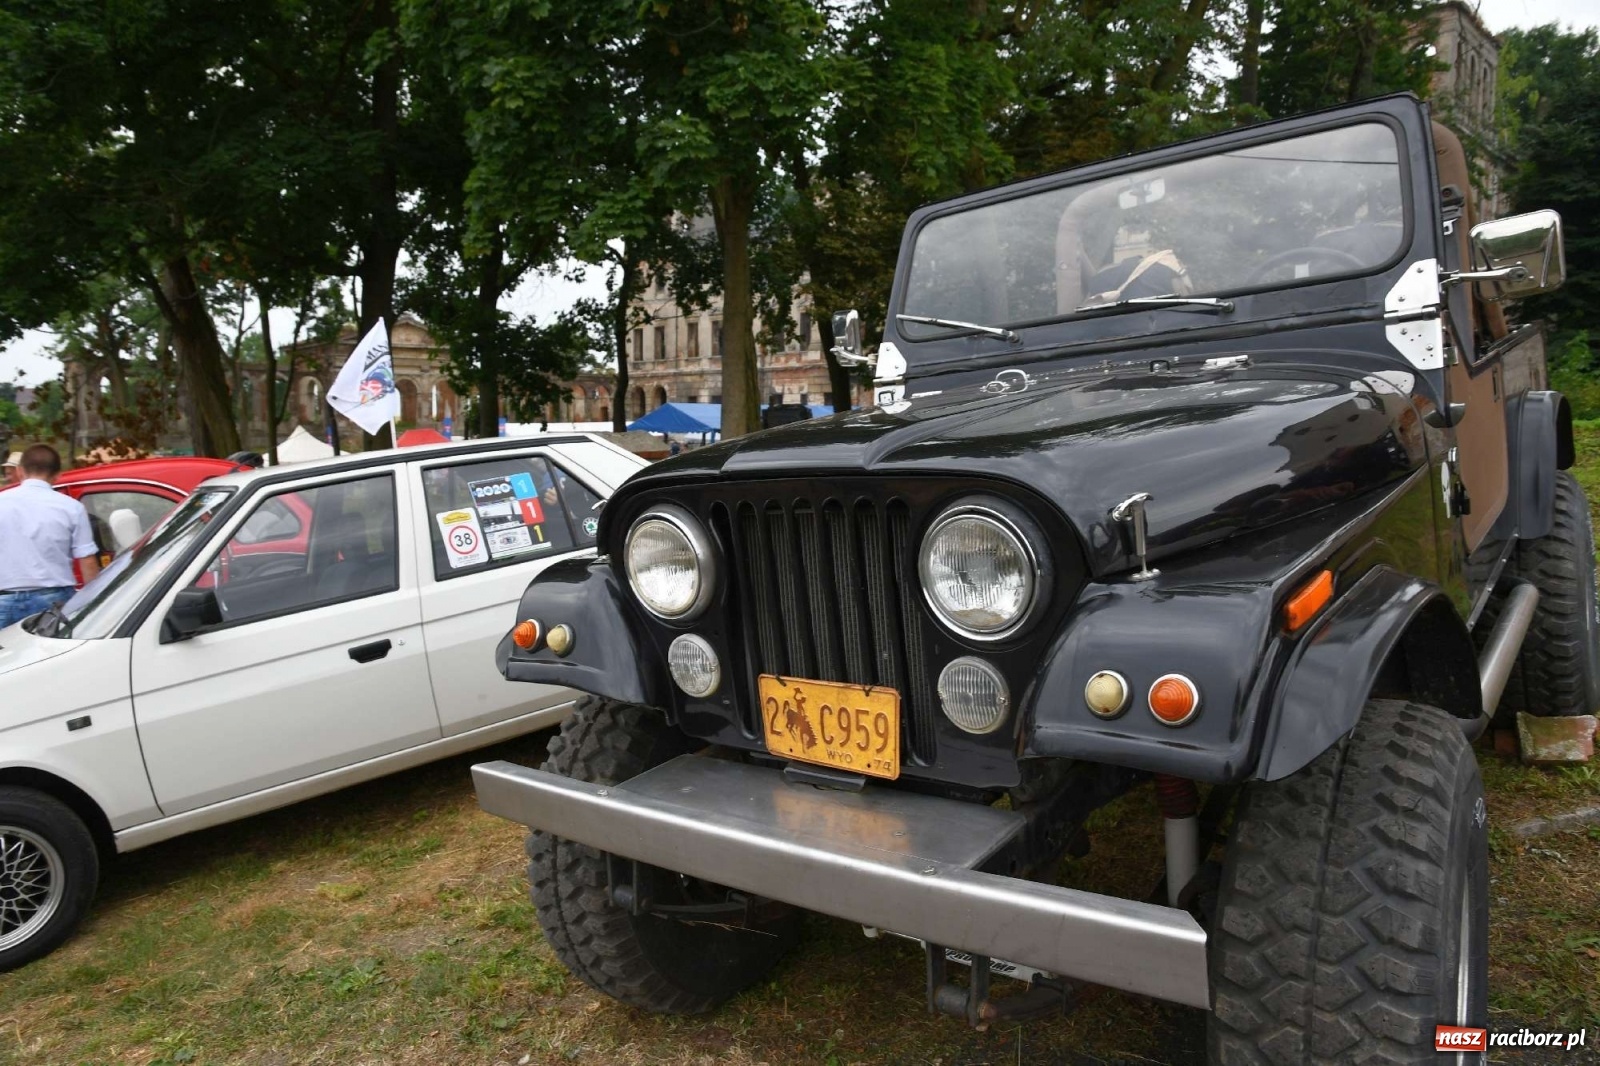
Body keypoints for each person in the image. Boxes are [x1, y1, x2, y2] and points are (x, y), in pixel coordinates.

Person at [0, 444, 101, 628]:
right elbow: (88, 562)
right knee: (54, 656)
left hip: (3, 600)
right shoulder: (72, 508)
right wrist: (94, 605)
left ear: (21, 471)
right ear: (57, 474)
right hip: (54, 600)